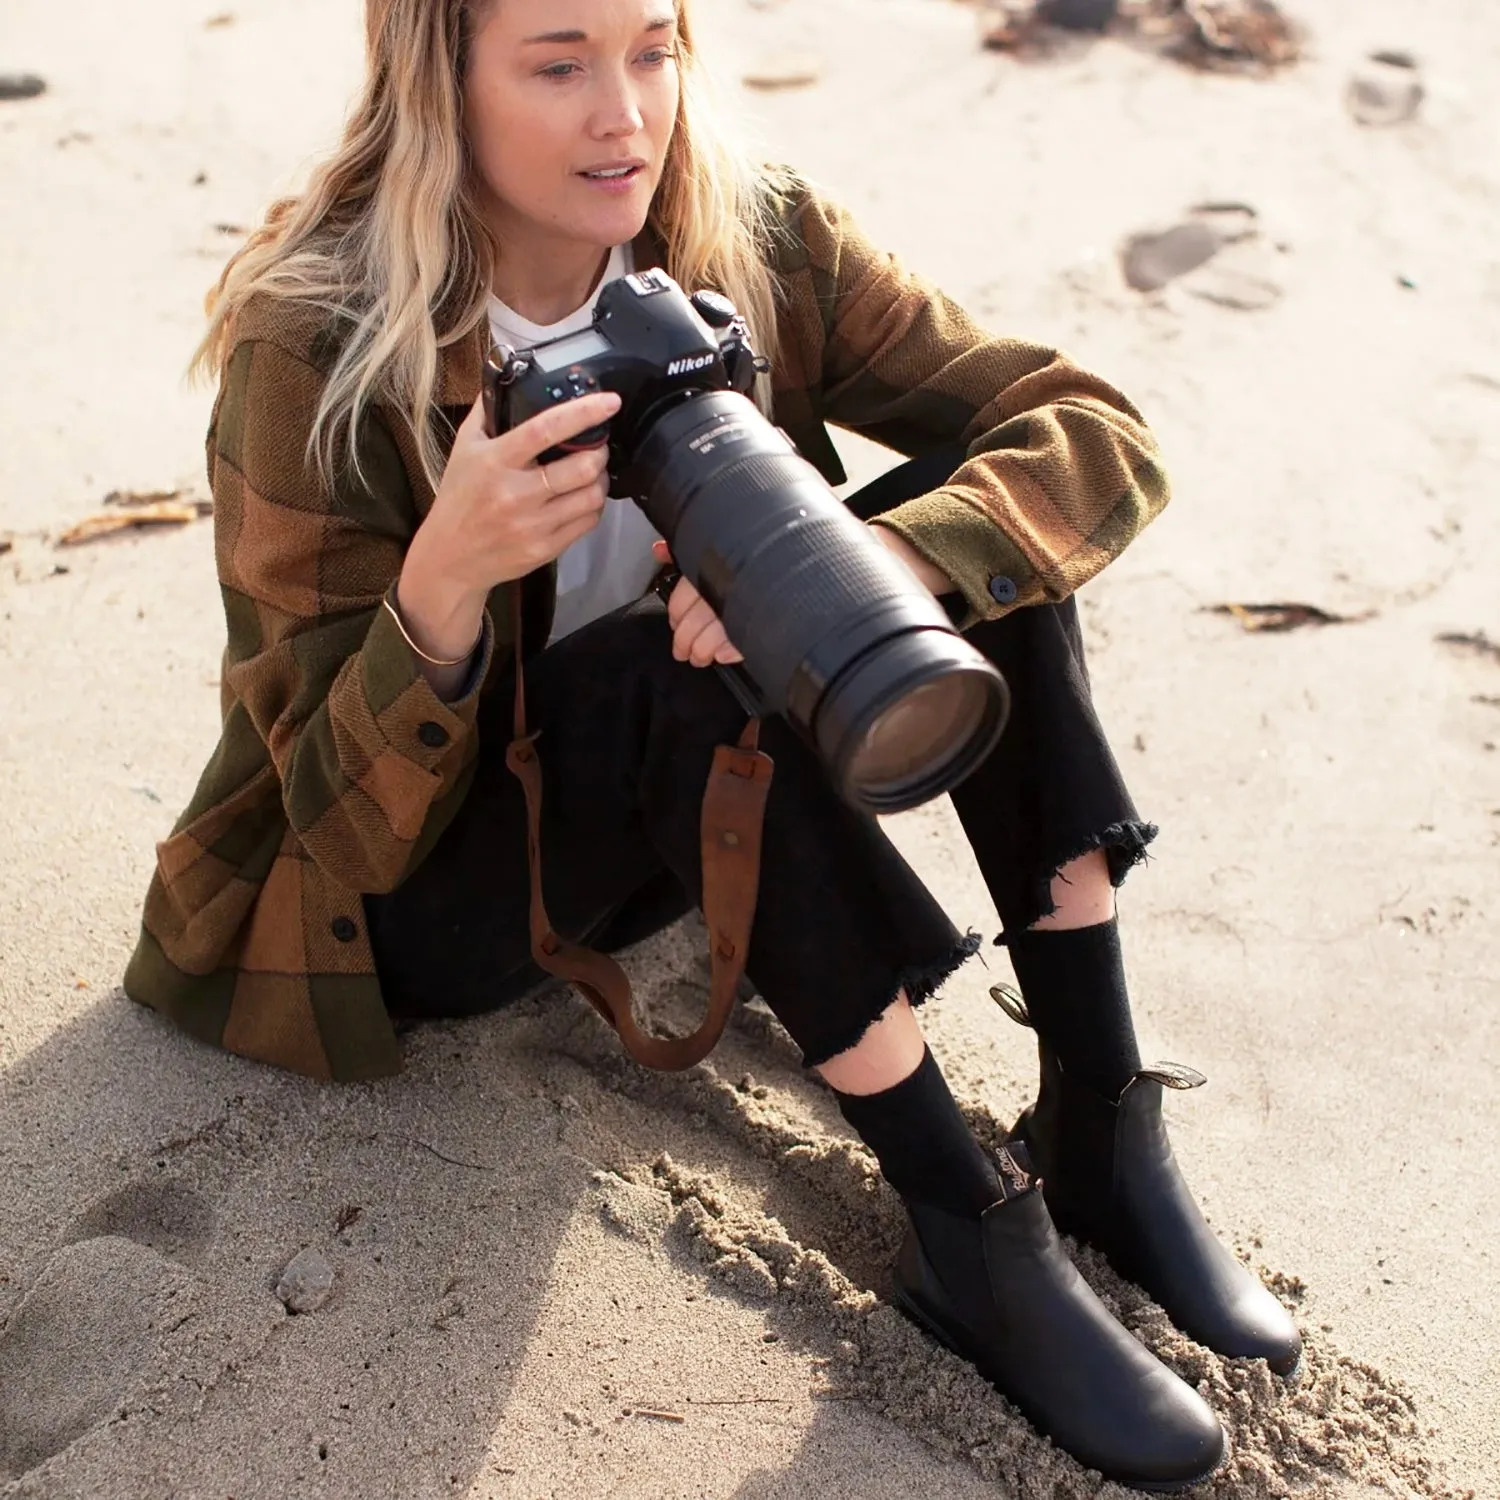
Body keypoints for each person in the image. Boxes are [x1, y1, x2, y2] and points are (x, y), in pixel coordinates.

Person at [123, 0, 1300, 1488]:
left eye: (651, 49)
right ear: (443, 81)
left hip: (678, 826)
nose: (625, 112)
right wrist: (442, 581)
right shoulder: (320, 344)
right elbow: (339, 835)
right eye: (558, 64)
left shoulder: (746, 234)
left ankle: (1101, 1123)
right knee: (657, 679)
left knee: (973, 533)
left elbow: (1086, 426)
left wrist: (918, 560)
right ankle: (966, 1222)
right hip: (420, 908)